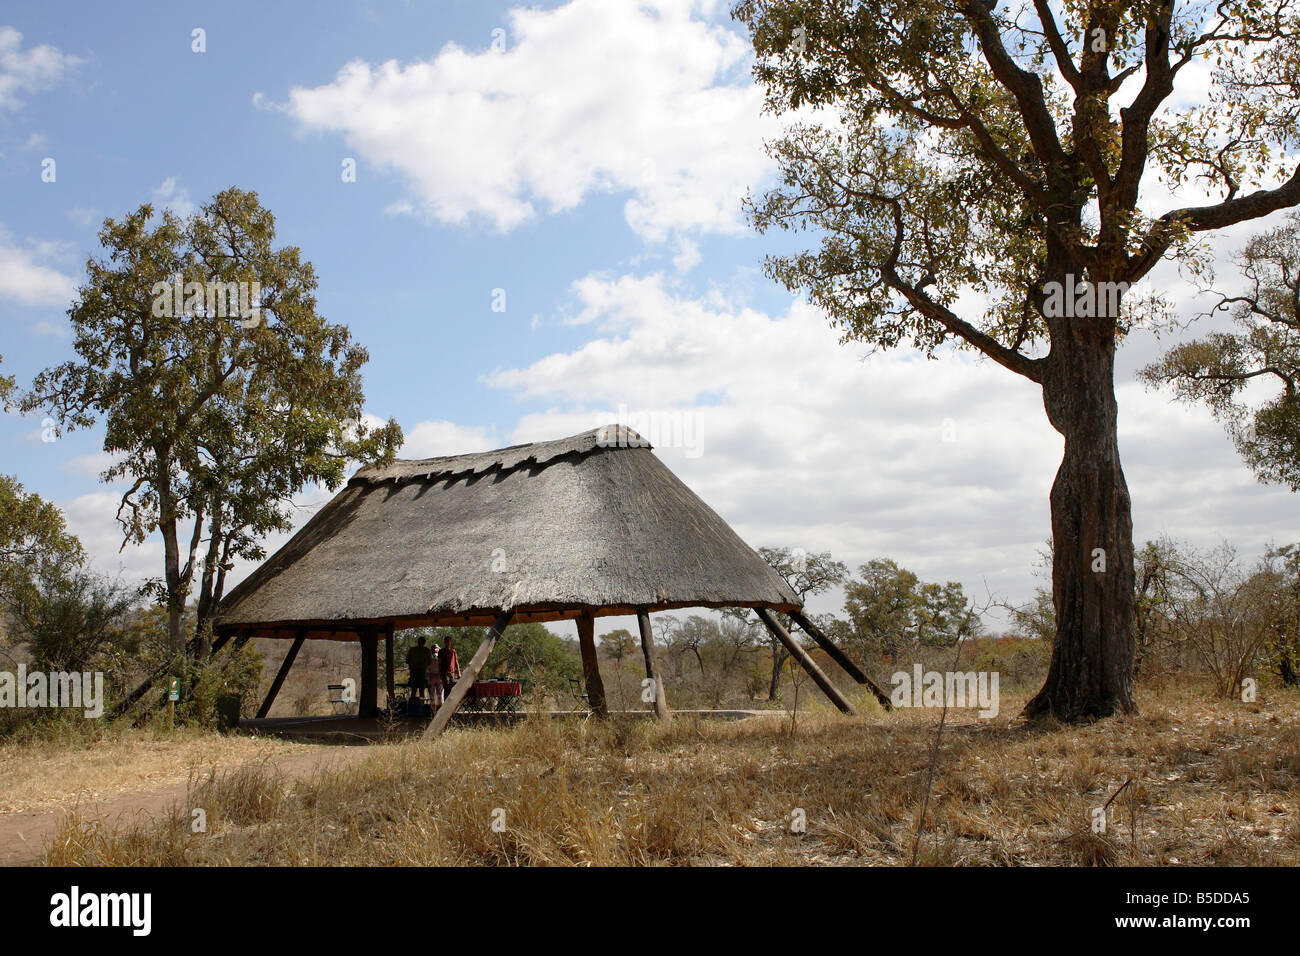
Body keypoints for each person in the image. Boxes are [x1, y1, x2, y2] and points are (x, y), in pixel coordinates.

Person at [426, 644, 444, 709]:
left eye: (436, 648)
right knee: (432, 695)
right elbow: (427, 668)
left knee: (440, 694)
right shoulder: (429, 658)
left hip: (438, 677)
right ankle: (433, 709)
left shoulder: (440, 658)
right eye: (434, 648)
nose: (435, 649)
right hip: (432, 676)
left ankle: (440, 709)